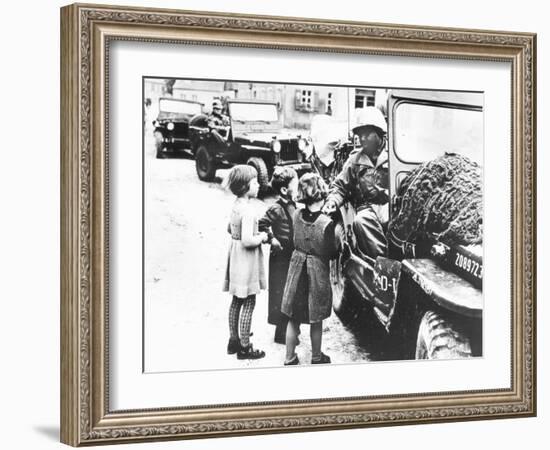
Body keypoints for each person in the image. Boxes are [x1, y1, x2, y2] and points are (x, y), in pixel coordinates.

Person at [281, 173, 337, 365]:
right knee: (316, 318)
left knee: (293, 318)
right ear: (321, 194)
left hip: (297, 273)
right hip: (316, 275)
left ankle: (289, 357)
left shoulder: (296, 214)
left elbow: (293, 240)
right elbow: (332, 252)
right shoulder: (326, 223)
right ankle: (316, 356)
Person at [322, 106, 389, 259]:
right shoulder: (355, 160)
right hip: (366, 208)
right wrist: (332, 201)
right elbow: (340, 186)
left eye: (367, 134)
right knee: (361, 221)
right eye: (359, 135)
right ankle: (383, 261)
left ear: (379, 132)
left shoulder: (394, 155)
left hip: (390, 205)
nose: (362, 139)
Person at [222, 165, 269, 360]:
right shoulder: (248, 211)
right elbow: (248, 240)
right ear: (245, 186)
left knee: (236, 300)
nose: (258, 185)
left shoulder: (236, 206)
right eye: (255, 182)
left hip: (235, 258)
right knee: (249, 300)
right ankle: (245, 346)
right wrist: (263, 236)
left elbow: (229, 229)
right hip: (247, 261)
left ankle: (233, 340)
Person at [258, 167, 300, 345]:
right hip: (280, 258)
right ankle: (281, 332)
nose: (298, 190)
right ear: (284, 190)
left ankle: (290, 329)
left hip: (292, 255)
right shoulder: (275, 208)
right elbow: (262, 224)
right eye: (295, 186)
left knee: (292, 292)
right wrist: (272, 238)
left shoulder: (294, 206)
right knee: (281, 293)